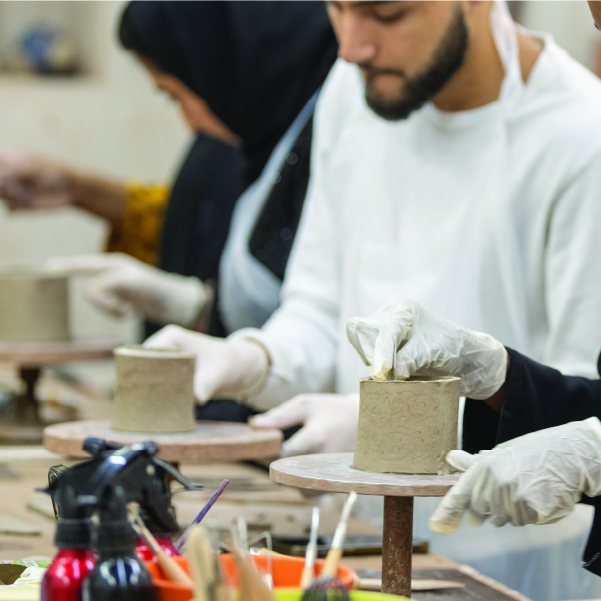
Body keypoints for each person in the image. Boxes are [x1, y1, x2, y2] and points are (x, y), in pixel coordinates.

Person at [145, 2, 601, 598]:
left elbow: (581, 411)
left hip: (516, 563)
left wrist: (407, 428)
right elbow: (318, 313)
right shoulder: (354, 89)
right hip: (359, 538)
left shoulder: (579, 133)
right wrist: (253, 358)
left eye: (386, 13)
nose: (352, 46)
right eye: (338, 9)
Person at [0, 1, 338, 340]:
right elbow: (195, 222)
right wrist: (76, 189)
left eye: (175, 96)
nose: (189, 122)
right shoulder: (244, 139)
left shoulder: (316, 142)